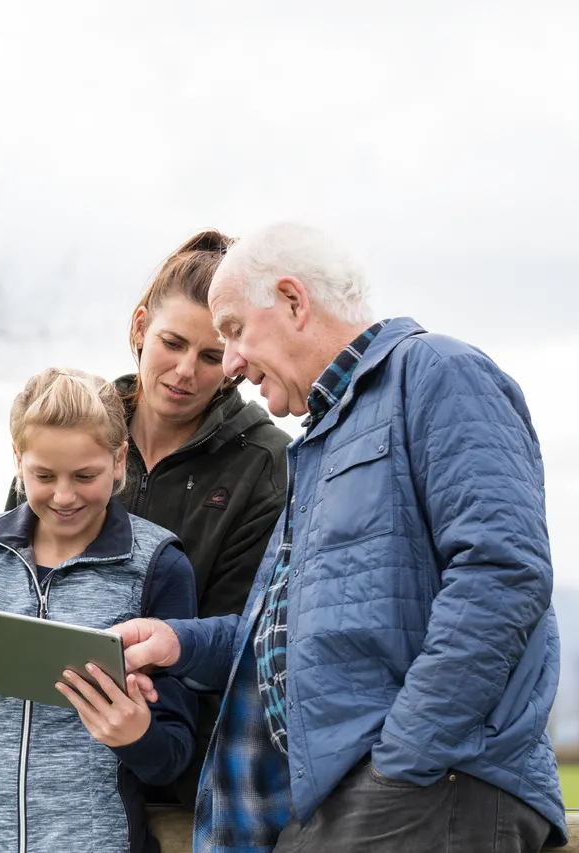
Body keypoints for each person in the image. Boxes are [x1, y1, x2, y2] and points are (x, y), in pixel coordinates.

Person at [117, 222, 567, 852]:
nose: (235, 366)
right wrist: (178, 644)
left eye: (235, 331)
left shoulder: (437, 371)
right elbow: (293, 638)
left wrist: (403, 763)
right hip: (353, 800)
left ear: (295, 302)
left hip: (429, 792)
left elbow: (503, 573)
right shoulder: (322, 443)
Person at [0, 230, 291, 811]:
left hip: (180, 774)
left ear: (235, 360)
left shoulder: (263, 466)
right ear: (141, 327)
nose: (186, 370)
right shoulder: (70, 434)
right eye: (171, 342)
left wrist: (156, 747)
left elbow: (238, 638)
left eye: (211, 355)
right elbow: (8, 619)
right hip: (42, 781)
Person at [0, 367, 197, 853]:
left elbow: (173, 755)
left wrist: (135, 733)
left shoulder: (159, 565)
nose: (64, 496)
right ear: (18, 461)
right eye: (44, 476)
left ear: (120, 459)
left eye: (86, 476)